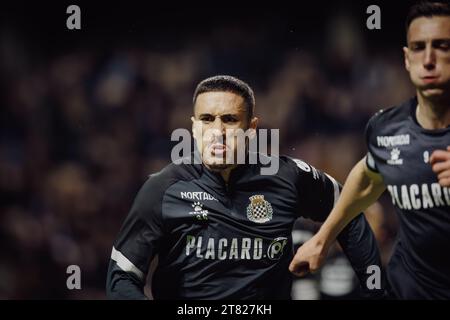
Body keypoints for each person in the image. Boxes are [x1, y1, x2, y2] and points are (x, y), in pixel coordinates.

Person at [106, 75, 382, 299]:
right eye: (206, 119)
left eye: (229, 119)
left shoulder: (289, 177)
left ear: (252, 128)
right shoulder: (163, 189)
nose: (217, 131)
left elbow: (351, 211)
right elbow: (122, 276)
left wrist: (375, 292)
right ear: (193, 127)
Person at [289, 1, 450, 299]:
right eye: (418, 47)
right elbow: (366, 180)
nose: (429, 59)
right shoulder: (386, 128)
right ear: (406, 58)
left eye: (441, 46)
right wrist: (324, 238)